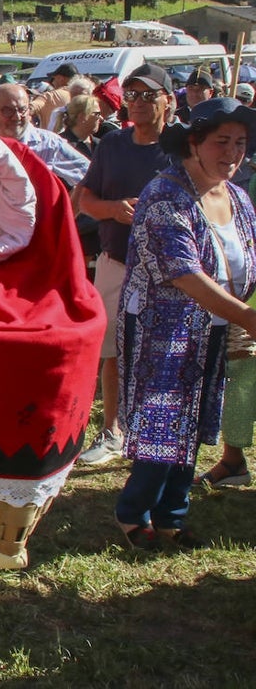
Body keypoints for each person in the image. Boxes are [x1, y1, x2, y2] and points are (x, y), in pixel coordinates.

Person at [115, 97, 256, 550]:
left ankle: (172, 515)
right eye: (221, 142)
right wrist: (248, 317)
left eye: (240, 142)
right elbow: (182, 272)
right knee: (163, 423)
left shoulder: (237, 196)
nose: (233, 153)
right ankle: (133, 513)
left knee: (194, 425)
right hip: (163, 328)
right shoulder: (164, 194)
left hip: (214, 326)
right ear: (193, 142)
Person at [75, 64, 176, 466]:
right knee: (113, 350)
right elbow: (86, 200)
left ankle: (154, 430)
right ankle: (112, 430)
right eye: (132, 95)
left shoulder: (183, 148)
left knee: (160, 351)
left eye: (148, 95)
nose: (138, 103)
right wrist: (113, 211)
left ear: (168, 100)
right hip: (116, 261)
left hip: (170, 269)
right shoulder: (112, 145)